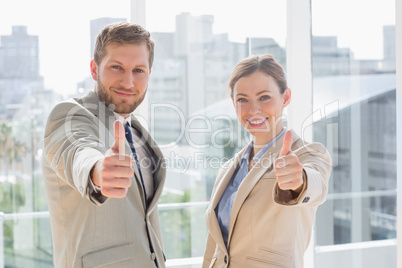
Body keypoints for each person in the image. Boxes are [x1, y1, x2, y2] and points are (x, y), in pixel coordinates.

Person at [42, 22, 166, 268]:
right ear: (94, 68)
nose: (128, 82)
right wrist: (97, 170)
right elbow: (78, 150)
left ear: (149, 74)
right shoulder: (70, 115)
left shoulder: (137, 131)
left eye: (138, 70)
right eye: (116, 67)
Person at [202, 54, 332, 268]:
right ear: (234, 104)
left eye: (264, 97)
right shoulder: (227, 170)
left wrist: (299, 180)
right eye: (243, 99)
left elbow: (316, 185)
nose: (253, 110)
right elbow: (215, 247)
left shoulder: (307, 154)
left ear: (286, 97)